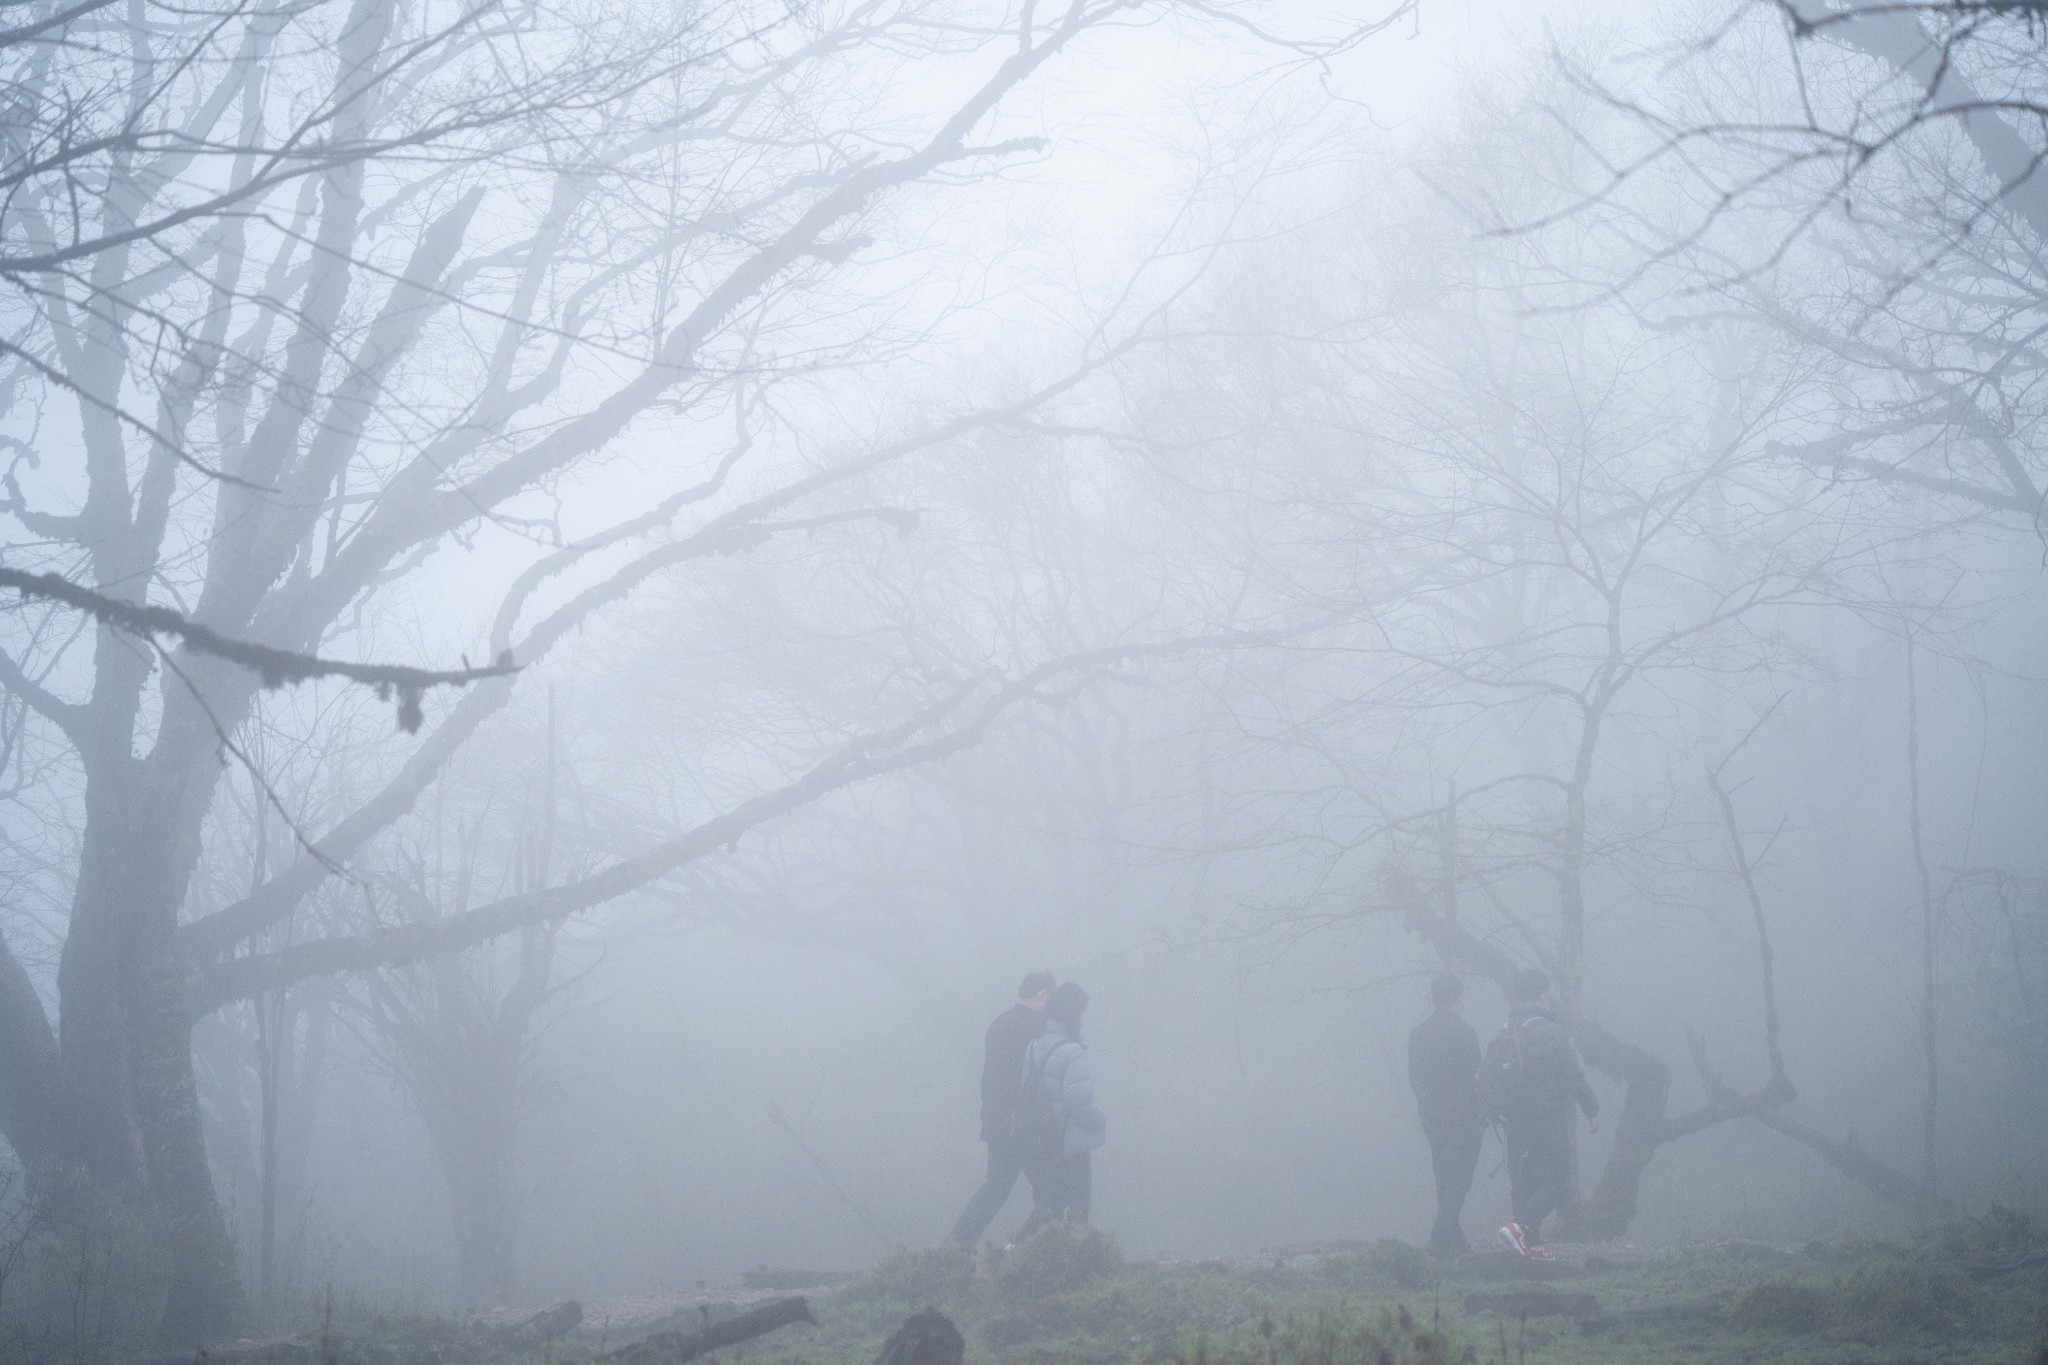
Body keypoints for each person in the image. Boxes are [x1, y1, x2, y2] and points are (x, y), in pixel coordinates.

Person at [1495, 967, 1600, 1260]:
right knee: (1558, 1178)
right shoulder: (1548, 1031)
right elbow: (1572, 1075)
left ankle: (1532, 1245)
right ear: (1543, 996)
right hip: (1546, 1117)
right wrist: (1592, 1109)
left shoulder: (1507, 1031)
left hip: (1513, 1120)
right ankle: (1520, 1226)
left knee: (1524, 1180)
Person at [946, 971, 1055, 1248]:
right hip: (1024, 1126)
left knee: (995, 1189)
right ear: (1042, 994)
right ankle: (1020, 1252)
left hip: (997, 1122)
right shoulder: (1036, 1029)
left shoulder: (998, 1025)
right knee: (1051, 1191)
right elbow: (1033, 1081)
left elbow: (990, 1080)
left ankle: (954, 1249)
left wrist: (992, 1118)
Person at [1014, 981, 1106, 1237]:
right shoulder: (1072, 1051)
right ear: (1072, 1014)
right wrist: (1101, 1120)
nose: (1083, 1019)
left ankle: (1017, 1250)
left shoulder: (1035, 1045)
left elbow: (1026, 1088)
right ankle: (1072, 1255)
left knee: (1050, 1205)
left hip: (1043, 1140)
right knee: (1078, 1207)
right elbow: (1079, 1101)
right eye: (1081, 1013)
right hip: (1070, 1142)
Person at [1408, 971, 1482, 1259]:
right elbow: (1474, 1077)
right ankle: (1439, 1237)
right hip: (1463, 1114)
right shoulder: (1465, 1033)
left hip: (1431, 1114)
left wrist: (1426, 1102)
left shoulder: (1418, 1033)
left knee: (1443, 1173)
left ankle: (1453, 1235)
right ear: (1459, 999)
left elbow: (1415, 1077)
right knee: (1461, 1177)